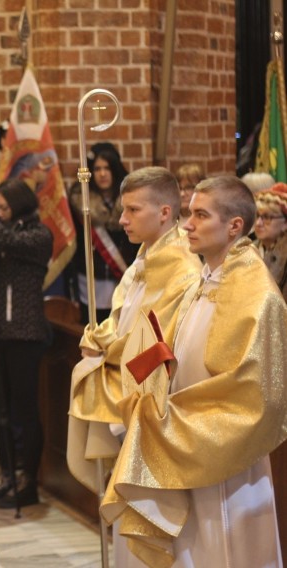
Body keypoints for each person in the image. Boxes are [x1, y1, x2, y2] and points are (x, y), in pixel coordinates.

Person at [101, 176, 287, 566]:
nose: (187, 225)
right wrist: (147, 398)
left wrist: (184, 423)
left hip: (226, 455)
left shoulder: (258, 296)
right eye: (189, 214)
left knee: (224, 548)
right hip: (182, 440)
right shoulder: (200, 282)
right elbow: (172, 353)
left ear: (234, 226)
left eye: (200, 215)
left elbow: (260, 395)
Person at [66, 167, 202, 565]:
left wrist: (103, 350)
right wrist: (98, 336)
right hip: (128, 398)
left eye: (132, 210)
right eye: (123, 209)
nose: (122, 219)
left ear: (164, 212)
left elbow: (155, 339)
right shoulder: (145, 256)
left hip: (151, 405)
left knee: (145, 519)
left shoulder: (181, 267)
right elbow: (123, 318)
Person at [0, 179, 53, 508]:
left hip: (26, 332)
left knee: (23, 410)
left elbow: (6, 238)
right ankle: (7, 475)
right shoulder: (5, 239)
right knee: (1, 409)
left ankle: (27, 478)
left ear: (18, 205)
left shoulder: (37, 236)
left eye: (3, 208)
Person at [68, 141, 138, 324]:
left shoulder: (131, 201)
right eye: (97, 168)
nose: (102, 174)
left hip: (124, 275)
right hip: (90, 280)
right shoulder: (79, 202)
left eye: (107, 168)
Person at [253, 182, 287, 299]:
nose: (258, 223)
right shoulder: (248, 249)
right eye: (257, 216)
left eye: (267, 217)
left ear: (285, 223)